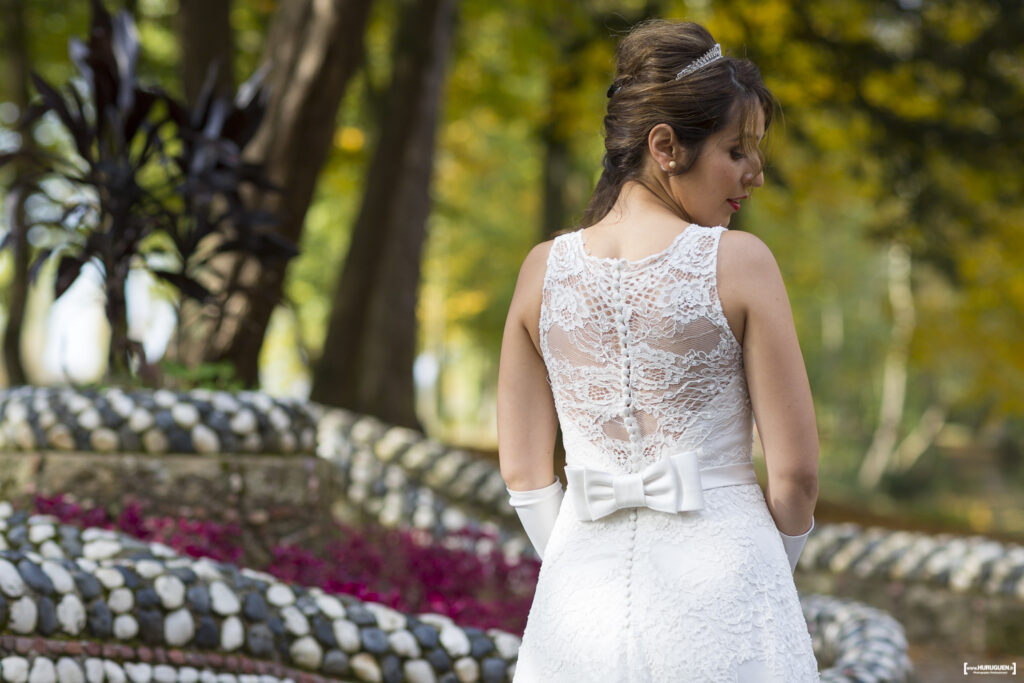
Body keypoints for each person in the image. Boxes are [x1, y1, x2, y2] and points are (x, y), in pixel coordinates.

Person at [495, 19, 820, 682]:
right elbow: (797, 476)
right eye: (737, 150)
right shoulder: (741, 264)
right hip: (726, 593)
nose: (754, 173)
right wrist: (763, 567)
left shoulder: (539, 273)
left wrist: (579, 567)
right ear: (666, 146)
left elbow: (525, 475)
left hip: (576, 615)